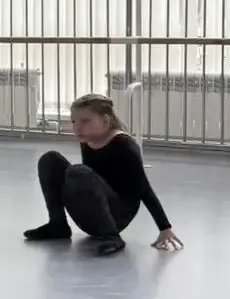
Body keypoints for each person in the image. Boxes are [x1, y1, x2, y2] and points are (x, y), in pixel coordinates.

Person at [25, 94, 181, 256]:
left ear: (106, 120)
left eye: (85, 121)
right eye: (74, 121)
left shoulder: (124, 145)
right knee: (50, 159)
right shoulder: (89, 139)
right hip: (93, 210)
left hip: (117, 215)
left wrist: (165, 227)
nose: (77, 127)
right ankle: (58, 224)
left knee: (78, 172)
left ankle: (112, 237)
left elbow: (144, 189)